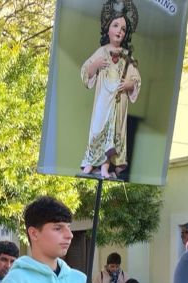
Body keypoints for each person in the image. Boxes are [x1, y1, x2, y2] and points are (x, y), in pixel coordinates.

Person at [80, 0, 141, 179]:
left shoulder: (127, 56)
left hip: (117, 102)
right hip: (103, 101)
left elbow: (136, 79)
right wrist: (96, 65)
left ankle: (106, 167)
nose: (119, 31)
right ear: (108, 28)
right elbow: (85, 71)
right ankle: (90, 163)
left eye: (123, 29)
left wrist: (130, 84)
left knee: (112, 135)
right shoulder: (102, 52)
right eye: (115, 26)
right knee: (97, 129)